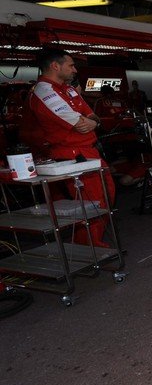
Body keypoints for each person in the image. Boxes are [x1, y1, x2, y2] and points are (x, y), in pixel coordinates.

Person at [28, 48, 116, 247]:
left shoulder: (67, 89)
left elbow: (92, 116)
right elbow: (79, 123)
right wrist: (91, 122)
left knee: (106, 194)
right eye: (71, 65)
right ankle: (89, 246)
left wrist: (94, 122)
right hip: (72, 155)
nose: (75, 70)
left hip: (88, 151)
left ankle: (89, 243)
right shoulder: (44, 91)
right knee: (92, 201)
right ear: (55, 66)